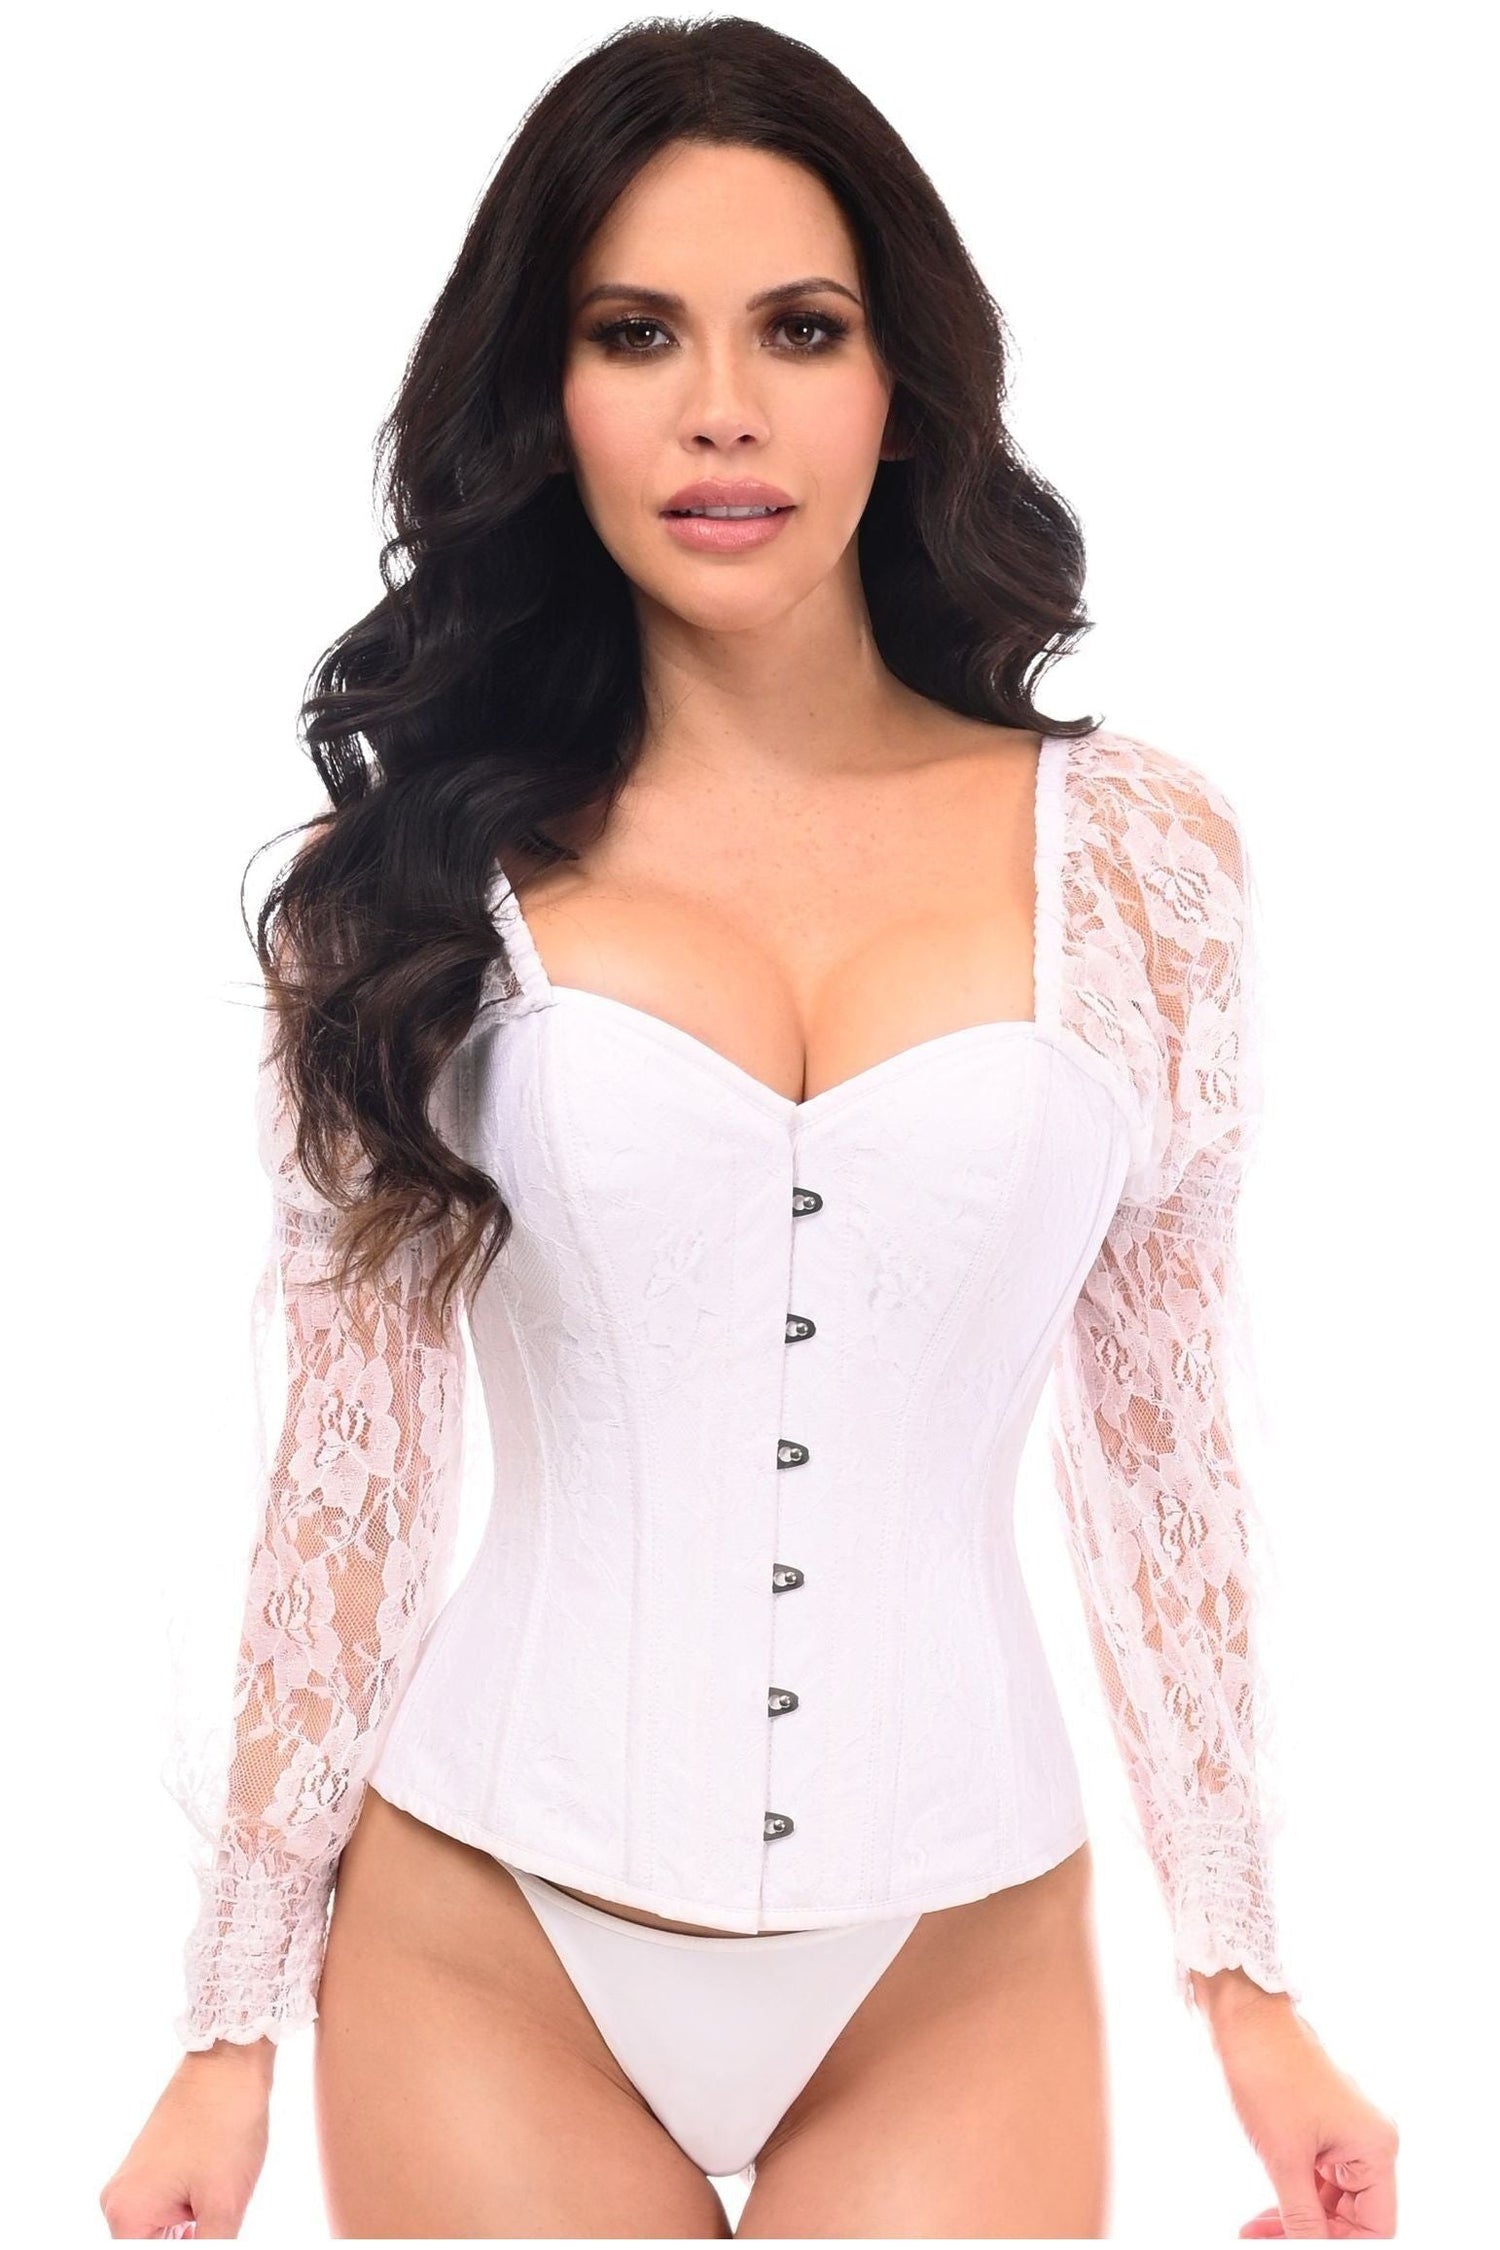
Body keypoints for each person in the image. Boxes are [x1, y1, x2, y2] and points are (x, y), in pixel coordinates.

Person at [99, 15, 1399, 2241]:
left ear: (905, 384)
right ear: (549, 396)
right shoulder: (407, 886)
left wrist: (1249, 1985)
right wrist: (227, 2029)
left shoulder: (1139, 860)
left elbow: (1158, 1440)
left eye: (801, 328)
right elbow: (353, 1464)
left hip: (956, 1947)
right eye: (637, 333)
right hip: (487, 1931)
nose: (723, 409)